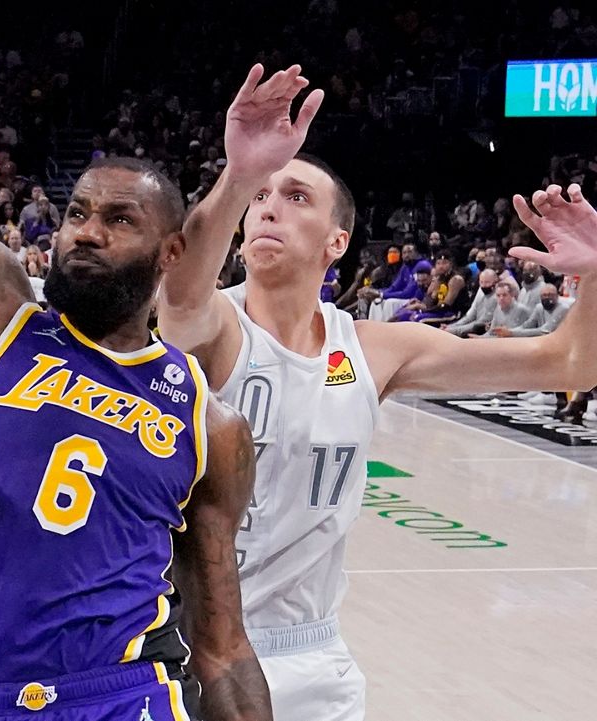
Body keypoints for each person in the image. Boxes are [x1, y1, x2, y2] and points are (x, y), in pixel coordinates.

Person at [155, 63, 597, 721]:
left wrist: (595, 272)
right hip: (195, 650)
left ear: (339, 242)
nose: (270, 205)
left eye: (297, 195)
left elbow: (568, 363)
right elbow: (180, 293)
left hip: (316, 655)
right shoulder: (218, 326)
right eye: (262, 198)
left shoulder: (373, 348)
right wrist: (239, 173)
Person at [0, 158, 266, 716]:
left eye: (120, 220)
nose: (87, 233)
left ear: (171, 252)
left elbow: (222, 642)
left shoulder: (210, 421)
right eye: (77, 213)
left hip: (129, 695)